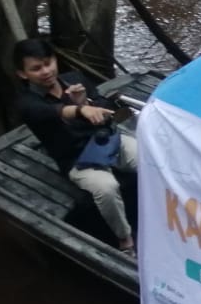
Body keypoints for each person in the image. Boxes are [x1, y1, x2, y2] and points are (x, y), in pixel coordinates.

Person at [13, 38, 139, 255]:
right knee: (107, 188)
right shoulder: (26, 103)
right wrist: (79, 109)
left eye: (48, 63)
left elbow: (106, 109)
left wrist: (87, 103)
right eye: (36, 68)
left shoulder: (74, 79)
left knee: (150, 158)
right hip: (77, 158)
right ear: (23, 74)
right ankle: (125, 241)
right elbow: (53, 113)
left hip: (107, 140)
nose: (45, 71)